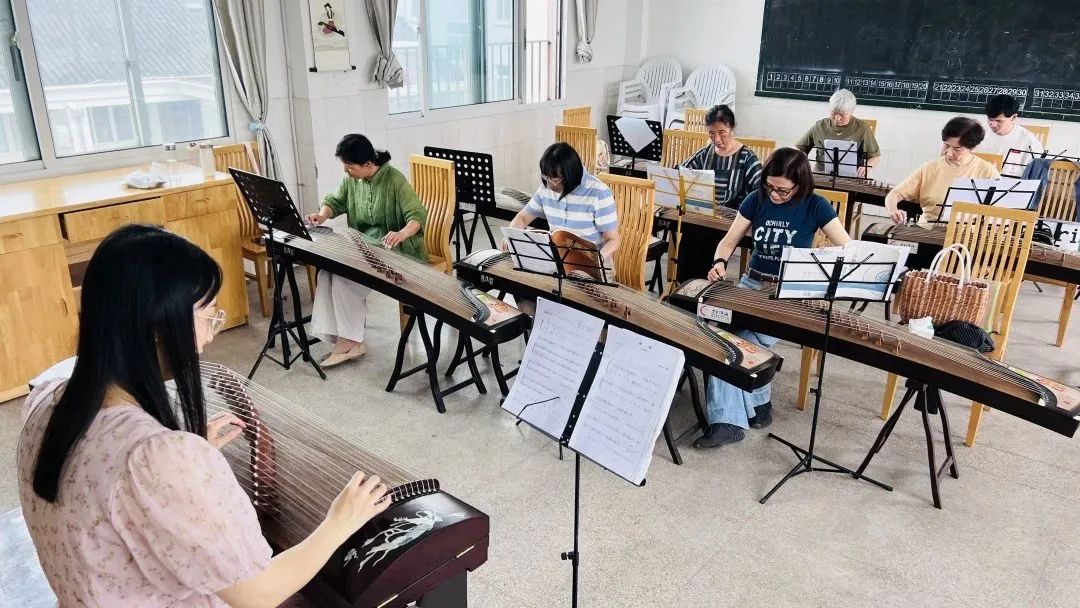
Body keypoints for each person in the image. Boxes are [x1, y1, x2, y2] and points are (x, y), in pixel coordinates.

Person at [17, 224, 390, 607]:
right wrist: (339, 523)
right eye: (208, 315)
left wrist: (177, 463)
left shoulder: (47, 399)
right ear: (158, 326)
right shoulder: (153, 457)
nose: (212, 334)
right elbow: (257, 593)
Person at [696, 148, 850, 449]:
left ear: (800, 184)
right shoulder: (757, 199)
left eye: (783, 190)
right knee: (721, 331)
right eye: (770, 186)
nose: (775, 194)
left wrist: (823, 255)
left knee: (733, 341)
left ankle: (728, 422)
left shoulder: (816, 205)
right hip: (750, 283)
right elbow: (728, 241)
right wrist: (719, 262)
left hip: (787, 293)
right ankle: (759, 403)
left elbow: (848, 247)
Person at [306, 134, 428, 367]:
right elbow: (334, 201)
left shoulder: (394, 180)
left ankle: (350, 342)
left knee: (344, 280)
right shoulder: (353, 179)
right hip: (363, 247)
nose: (346, 171)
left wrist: (401, 233)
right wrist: (321, 216)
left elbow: (418, 215)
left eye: (350, 167)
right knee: (326, 273)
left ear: (368, 164)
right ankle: (341, 338)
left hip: (396, 252)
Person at [885, 117, 1000, 224]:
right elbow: (895, 194)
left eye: (957, 149)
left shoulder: (987, 171)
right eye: (946, 145)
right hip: (929, 228)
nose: (949, 153)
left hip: (966, 232)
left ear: (973, 148)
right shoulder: (930, 168)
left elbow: (1000, 211)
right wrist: (893, 210)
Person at [680, 104, 763, 209]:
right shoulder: (706, 153)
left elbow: (761, 190)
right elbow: (680, 172)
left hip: (735, 216)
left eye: (722, 132)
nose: (717, 139)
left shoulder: (747, 157)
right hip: (706, 213)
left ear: (731, 128)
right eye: (712, 133)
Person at [795, 88, 881, 177]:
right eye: (834, 113)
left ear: (851, 112)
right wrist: (802, 163)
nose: (837, 118)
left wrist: (867, 167)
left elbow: (875, 157)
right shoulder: (820, 126)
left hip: (851, 177)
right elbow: (799, 149)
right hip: (821, 174)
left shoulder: (862, 128)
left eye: (842, 115)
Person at [978, 94, 1045, 177]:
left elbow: (1035, 173)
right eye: (990, 120)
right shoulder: (979, 133)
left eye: (999, 121)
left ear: (1013, 118)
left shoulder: (1029, 140)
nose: (993, 125)